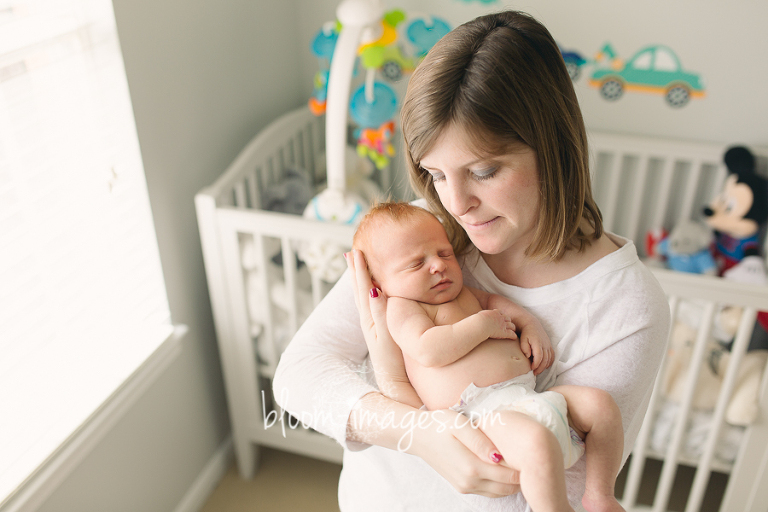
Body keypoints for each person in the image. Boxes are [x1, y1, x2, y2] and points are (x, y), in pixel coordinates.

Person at [273, 10, 670, 511]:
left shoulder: (626, 304)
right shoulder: (418, 237)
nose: (456, 204)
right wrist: (417, 432)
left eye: (483, 171)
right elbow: (298, 375)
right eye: (436, 173)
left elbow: (554, 486)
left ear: (553, 148)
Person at [351, 201, 626, 512]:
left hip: (528, 396)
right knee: (537, 443)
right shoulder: (404, 308)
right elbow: (428, 349)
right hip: (483, 416)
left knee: (601, 406)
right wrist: (481, 325)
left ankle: (600, 495)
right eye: (416, 263)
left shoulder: (464, 293)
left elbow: (497, 303)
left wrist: (530, 325)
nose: (438, 266)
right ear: (379, 283)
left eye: (444, 254)